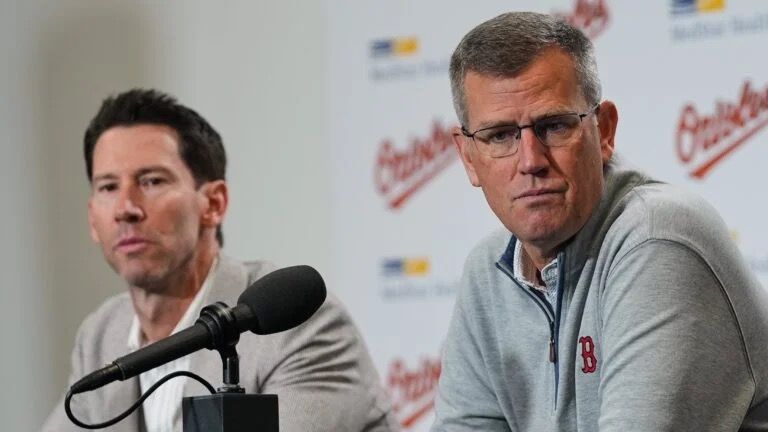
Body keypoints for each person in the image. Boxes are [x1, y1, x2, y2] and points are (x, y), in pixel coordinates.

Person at [433, 11, 768, 431]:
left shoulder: (656, 239)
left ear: (604, 130)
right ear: (468, 157)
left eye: (554, 126)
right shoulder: (488, 272)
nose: (531, 161)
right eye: (500, 135)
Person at [41, 89, 399, 432]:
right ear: (92, 219)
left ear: (213, 204)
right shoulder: (101, 335)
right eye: (108, 187)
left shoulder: (293, 324)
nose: (125, 208)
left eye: (151, 181)